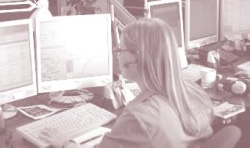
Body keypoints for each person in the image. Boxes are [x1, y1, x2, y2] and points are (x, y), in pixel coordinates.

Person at [41, 17, 214, 148]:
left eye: (120, 49)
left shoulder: (140, 115)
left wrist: (65, 143)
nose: (118, 54)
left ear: (136, 59)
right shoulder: (195, 94)